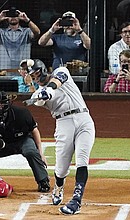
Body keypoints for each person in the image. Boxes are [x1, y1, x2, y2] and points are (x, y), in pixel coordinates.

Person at [26, 59, 95, 215]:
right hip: (64, 123)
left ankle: (76, 200)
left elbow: (59, 80)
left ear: (43, 70)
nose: (36, 77)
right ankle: (58, 186)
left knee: (82, 160)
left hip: (84, 118)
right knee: (61, 168)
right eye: (33, 76)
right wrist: (42, 94)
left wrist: (49, 89)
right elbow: (40, 98)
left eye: (37, 73)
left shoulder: (60, 71)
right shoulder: (37, 94)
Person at [0, 90, 50, 192]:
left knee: (31, 151)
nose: (0, 106)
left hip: (21, 141)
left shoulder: (22, 113)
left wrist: (40, 153)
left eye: (2, 103)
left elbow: (34, 130)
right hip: (0, 144)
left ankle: (43, 181)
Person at [0, 7, 40, 72]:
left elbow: (37, 32)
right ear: (6, 18)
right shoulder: (0, 32)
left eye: (15, 15)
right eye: (10, 15)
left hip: (23, 71)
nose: (13, 17)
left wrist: (27, 20)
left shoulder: (27, 31)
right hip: (4, 71)